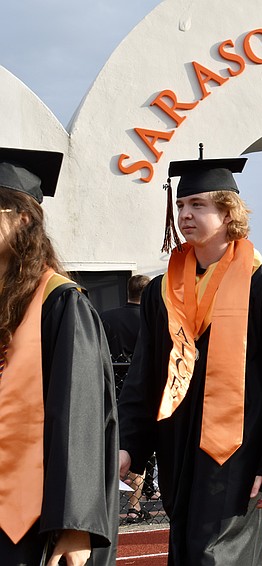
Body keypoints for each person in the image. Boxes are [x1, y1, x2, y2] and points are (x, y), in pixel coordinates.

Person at [117, 153, 262, 565]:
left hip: (240, 450)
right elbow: (145, 376)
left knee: (216, 554)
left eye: (198, 205)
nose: (185, 214)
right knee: (188, 549)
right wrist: (129, 444)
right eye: (181, 206)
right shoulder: (164, 290)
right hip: (178, 447)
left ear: (228, 213)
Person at [0, 147, 119, 565]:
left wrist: (75, 524)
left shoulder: (60, 303)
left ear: (24, 219)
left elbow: (81, 419)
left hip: (30, 515)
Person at [101, 274, 157, 523]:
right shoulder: (150, 321)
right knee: (136, 448)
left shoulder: (106, 317)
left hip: (109, 390)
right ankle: (134, 505)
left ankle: (106, 503)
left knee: (111, 446)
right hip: (136, 393)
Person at [101, 274, 152, 359]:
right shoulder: (151, 319)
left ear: (128, 291)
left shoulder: (106, 316)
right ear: (148, 293)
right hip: (141, 370)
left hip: (113, 370)